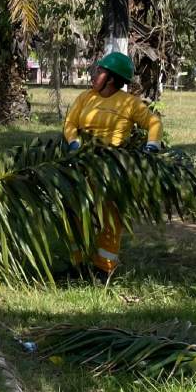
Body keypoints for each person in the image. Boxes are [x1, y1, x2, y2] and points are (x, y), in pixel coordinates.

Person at [62, 51, 162, 276]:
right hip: (83, 162)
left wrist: (152, 145)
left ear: (112, 78)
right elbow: (70, 123)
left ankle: (103, 268)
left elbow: (154, 123)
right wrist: (74, 143)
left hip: (112, 166)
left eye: (99, 71)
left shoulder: (129, 104)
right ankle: (77, 264)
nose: (94, 74)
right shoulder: (86, 97)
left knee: (110, 216)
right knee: (75, 212)